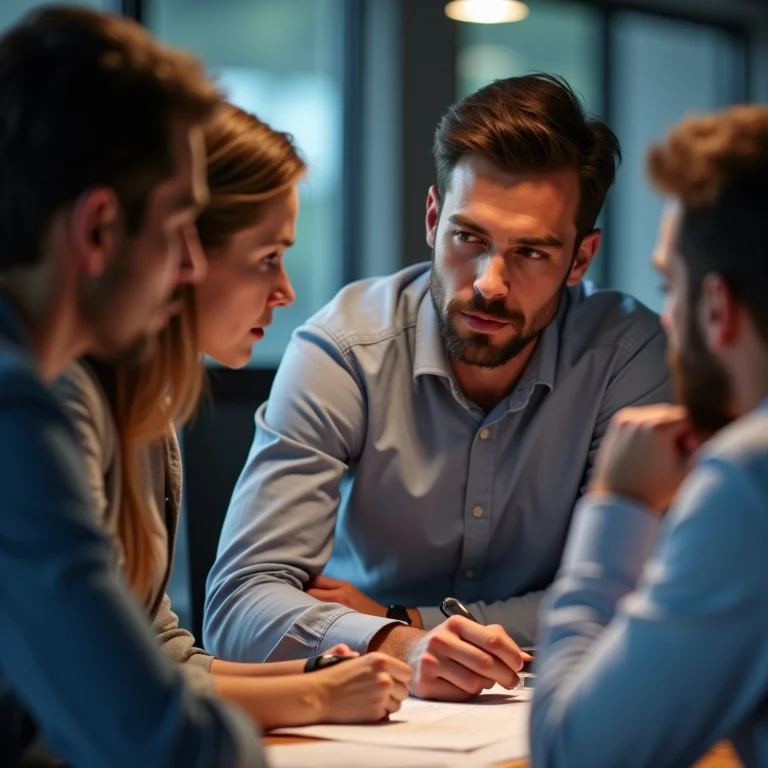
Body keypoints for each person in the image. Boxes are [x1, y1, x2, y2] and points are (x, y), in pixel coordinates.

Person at [205, 73, 672, 702]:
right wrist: (395, 644)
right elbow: (239, 603)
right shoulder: (343, 349)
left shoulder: (626, 355)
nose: (489, 283)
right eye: (468, 238)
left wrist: (411, 621)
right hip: (365, 702)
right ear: (433, 218)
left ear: (581, 258)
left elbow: (632, 595)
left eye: (532, 252)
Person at [57, 102, 411, 731]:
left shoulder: (147, 408)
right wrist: (318, 697)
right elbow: (97, 686)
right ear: (183, 247)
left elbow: (159, 650)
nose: (287, 292)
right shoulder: (65, 399)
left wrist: (319, 675)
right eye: (267, 257)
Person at [0, 7, 263, 766]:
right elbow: (163, 743)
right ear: (99, 229)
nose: (190, 266)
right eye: (180, 224)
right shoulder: (17, 409)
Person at [530, 105, 768, 767]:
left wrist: (617, 505)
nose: (666, 320)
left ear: (716, 308)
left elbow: (572, 752)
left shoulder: (749, 476)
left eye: (671, 287)